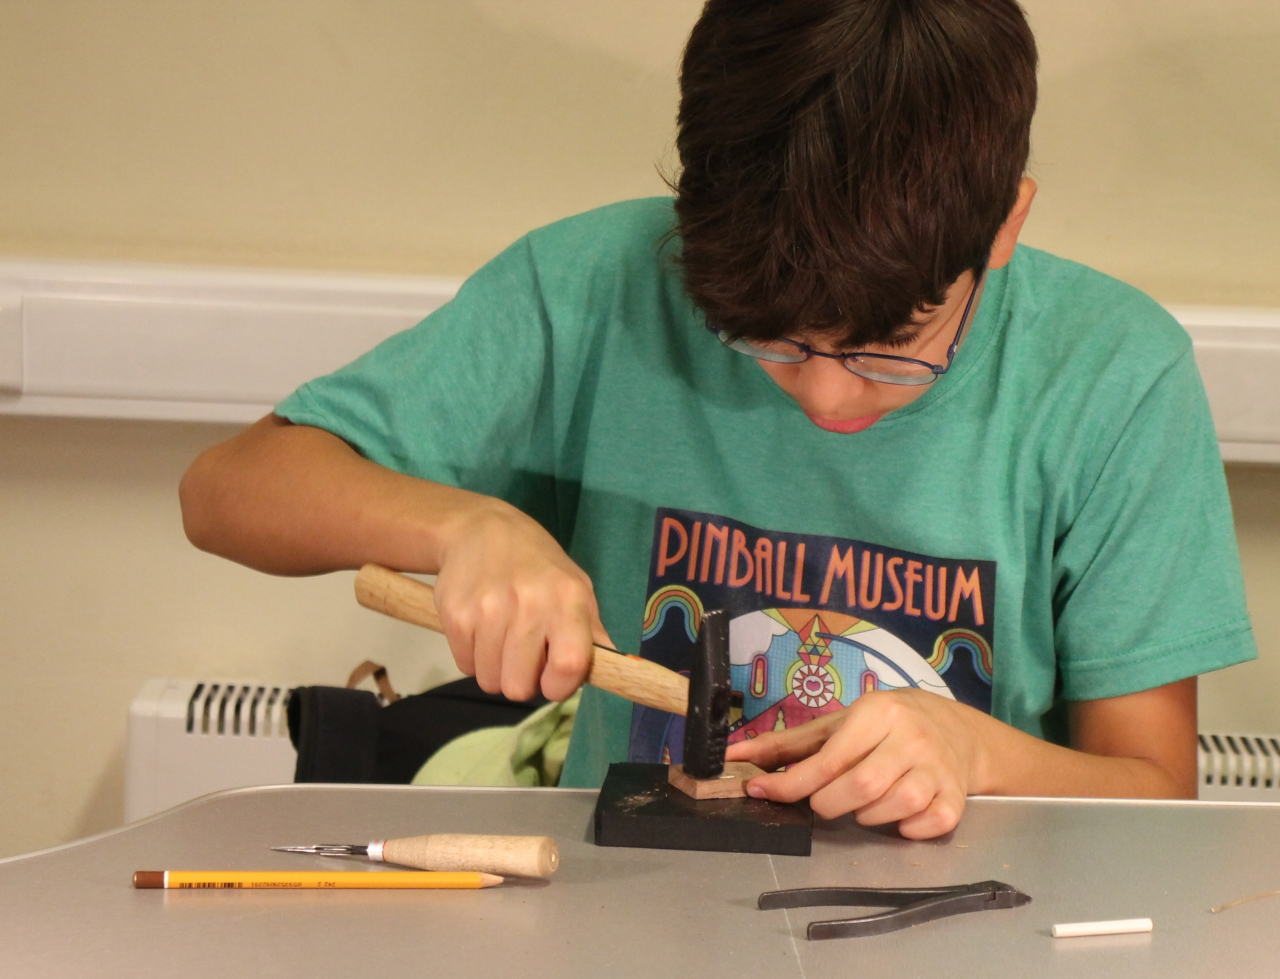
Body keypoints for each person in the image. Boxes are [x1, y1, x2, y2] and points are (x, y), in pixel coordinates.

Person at [180, 0, 1256, 839]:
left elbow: (1155, 795)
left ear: (1005, 222)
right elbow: (226, 490)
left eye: (894, 346)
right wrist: (463, 528)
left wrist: (978, 754)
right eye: (769, 341)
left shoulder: (1113, 377)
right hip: (625, 913)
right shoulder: (596, 287)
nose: (827, 396)